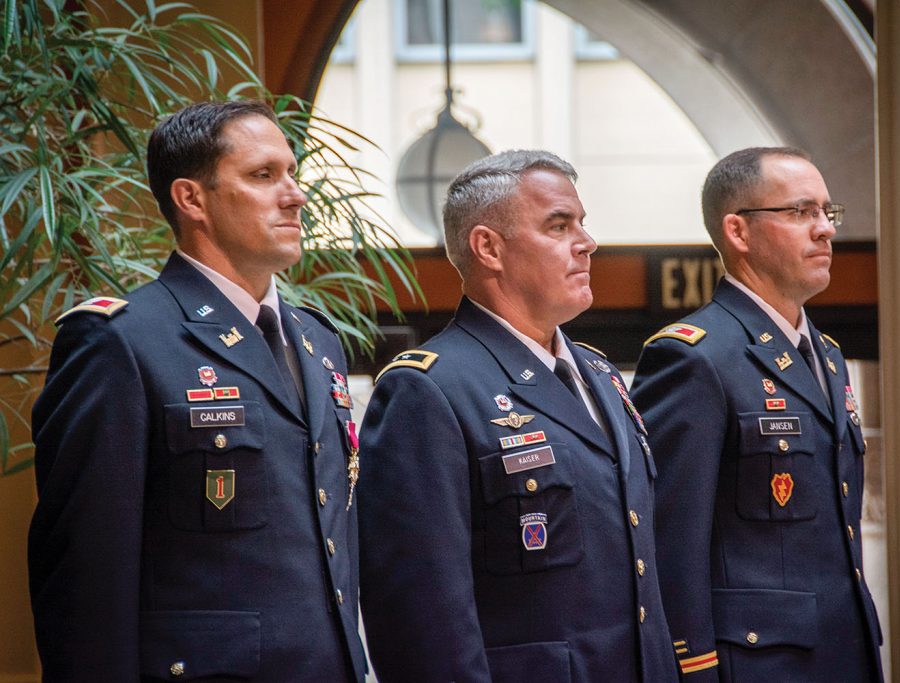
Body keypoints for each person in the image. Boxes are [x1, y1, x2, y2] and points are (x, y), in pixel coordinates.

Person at [28, 101, 365, 682]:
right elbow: (85, 580)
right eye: (263, 176)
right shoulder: (123, 342)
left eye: (292, 172)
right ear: (192, 199)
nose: (295, 195)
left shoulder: (317, 339)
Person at [358, 150, 678, 682]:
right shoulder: (428, 390)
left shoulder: (599, 373)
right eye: (558, 225)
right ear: (489, 248)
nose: (586, 242)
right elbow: (422, 627)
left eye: (582, 223)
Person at [630, 147, 884, 681]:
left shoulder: (829, 356)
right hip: (756, 665)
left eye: (827, 212)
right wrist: (691, 667)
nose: (825, 230)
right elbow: (671, 541)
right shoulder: (694, 357)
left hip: (843, 650)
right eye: (800, 212)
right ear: (738, 232)